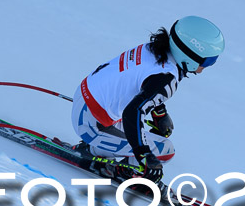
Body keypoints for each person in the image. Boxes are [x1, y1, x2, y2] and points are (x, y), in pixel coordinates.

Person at [71, 15, 225, 184]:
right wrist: (143, 154)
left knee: (156, 135)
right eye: (207, 62)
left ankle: (102, 150)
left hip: (86, 99)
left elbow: (137, 83)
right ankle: (117, 168)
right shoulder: (167, 78)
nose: (204, 68)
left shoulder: (153, 49)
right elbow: (133, 112)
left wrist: (159, 111)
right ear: (188, 56)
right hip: (92, 124)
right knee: (165, 150)